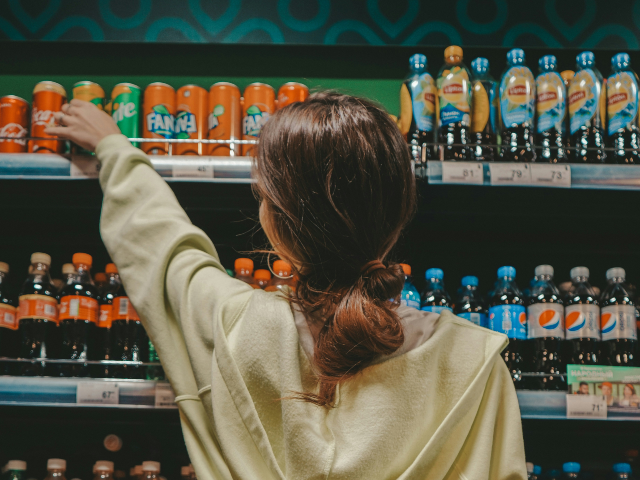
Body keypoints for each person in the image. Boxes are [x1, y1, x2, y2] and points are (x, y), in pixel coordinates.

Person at [46, 93, 527, 480]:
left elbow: (163, 246)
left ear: (274, 222)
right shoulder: (475, 365)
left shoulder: (233, 327)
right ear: (398, 217)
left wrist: (114, 147)